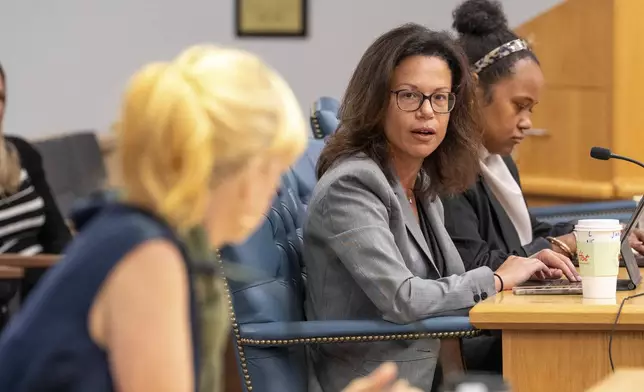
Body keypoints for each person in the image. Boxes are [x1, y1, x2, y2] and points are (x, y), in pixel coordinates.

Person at [0, 46, 421, 392]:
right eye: (273, 168)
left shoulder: (149, 238)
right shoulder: (148, 256)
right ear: (235, 167)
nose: (275, 187)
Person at [302, 23, 579, 392]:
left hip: (438, 369)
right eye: (409, 96)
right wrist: (497, 278)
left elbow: (449, 274)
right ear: (376, 100)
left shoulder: (421, 182)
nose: (427, 112)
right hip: (377, 381)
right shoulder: (353, 184)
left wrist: (528, 269)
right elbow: (402, 298)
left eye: (439, 98)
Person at [442, 0, 644, 275]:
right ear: (474, 92)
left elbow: (523, 233)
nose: (527, 123)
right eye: (519, 105)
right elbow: (475, 267)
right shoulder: (446, 170)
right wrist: (566, 244)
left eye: (531, 109)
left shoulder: (500, 162)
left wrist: (600, 235)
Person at [0, 62, 72, 328]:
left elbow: (55, 232)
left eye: (2, 97)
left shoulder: (21, 153)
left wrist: (71, 266)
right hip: (11, 300)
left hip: (47, 284)